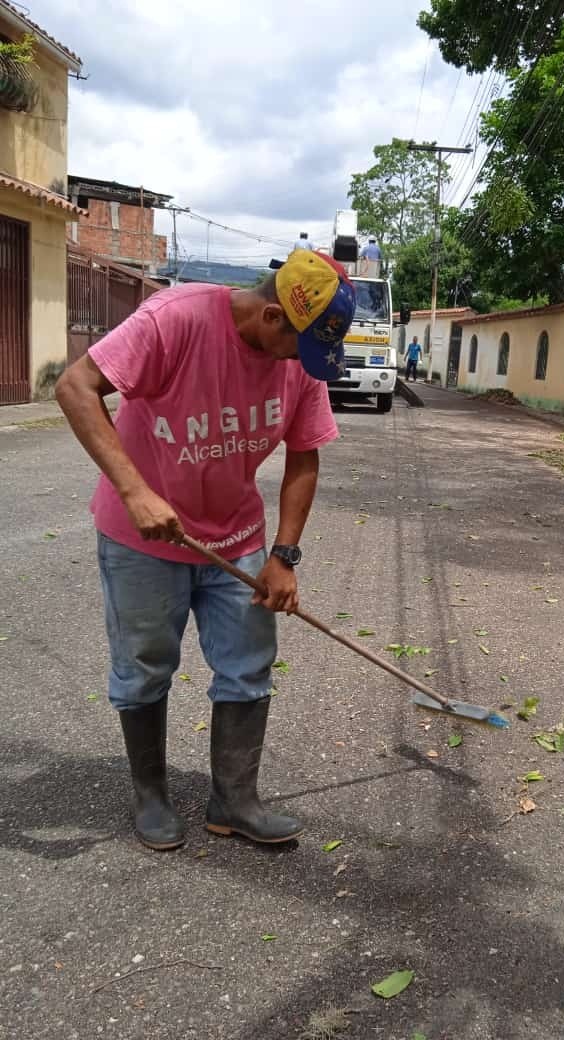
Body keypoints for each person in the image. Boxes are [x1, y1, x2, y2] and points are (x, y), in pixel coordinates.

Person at [55, 250, 356, 852]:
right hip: (142, 539)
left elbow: (305, 454)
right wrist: (135, 490)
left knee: (248, 668)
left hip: (236, 540)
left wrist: (284, 556)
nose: (304, 362)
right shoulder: (178, 317)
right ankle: (151, 796)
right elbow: (75, 386)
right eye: (300, 345)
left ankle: (235, 802)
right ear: (272, 317)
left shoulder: (300, 363)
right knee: (143, 670)